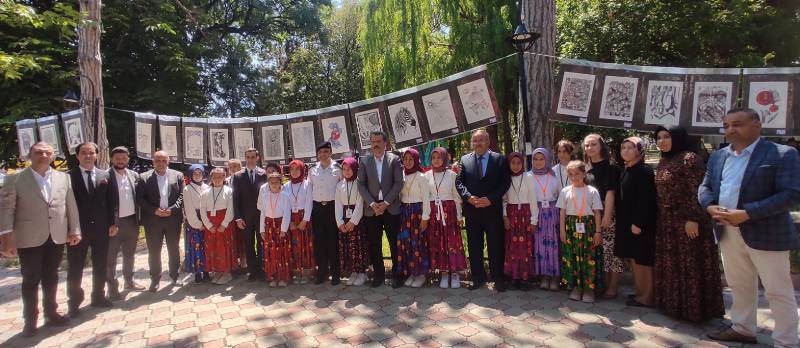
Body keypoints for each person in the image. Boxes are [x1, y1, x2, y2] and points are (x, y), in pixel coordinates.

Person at [699, 108, 800, 347]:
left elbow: (791, 194)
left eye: (738, 124)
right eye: (726, 125)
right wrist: (710, 206)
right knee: (739, 284)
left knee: (777, 291)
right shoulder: (718, 156)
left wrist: (747, 213)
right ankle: (743, 328)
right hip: (726, 230)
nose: (731, 129)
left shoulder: (782, 154)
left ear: (757, 125)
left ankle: (786, 341)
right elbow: (705, 186)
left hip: (766, 232)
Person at [0, 142, 79, 336]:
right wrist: (6, 238)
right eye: (38, 152)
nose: (43, 155)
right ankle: (30, 320)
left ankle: (51, 313)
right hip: (29, 237)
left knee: (51, 276)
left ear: (53, 157)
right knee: (31, 279)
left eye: (47, 152)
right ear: (30, 155)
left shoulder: (63, 177)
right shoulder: (15, 179)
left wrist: (75, 230)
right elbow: (6, 210)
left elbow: (70, 205)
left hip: (57, 235)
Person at [653, 126, 723, 322]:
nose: (661, 141)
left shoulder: (689, 159)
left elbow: (698, 191)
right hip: (668, 222)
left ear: (677, 138)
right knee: (674, 264)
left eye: (666, 137)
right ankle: (675, 306)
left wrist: (692, 218)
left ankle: (695, 310)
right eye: (658, 138)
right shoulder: (665, 160)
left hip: (688, 221)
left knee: (690, 263)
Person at [455, 129, 511, 291]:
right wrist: (468, 198)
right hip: (473, 211)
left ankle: (498, 278)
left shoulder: (499, 159)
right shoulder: (465, 160)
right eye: (475, 141)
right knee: (474, 245)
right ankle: (478, 278)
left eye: (481, 140)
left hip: (492, 210)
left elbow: (505, 183)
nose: (478, 143)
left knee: (495, 245)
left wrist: (490, 199)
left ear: (488, 142)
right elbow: (459, 182)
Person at [67, 142, 117, 317]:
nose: (87, 156)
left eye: (91, 153)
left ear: (96, 155)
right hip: (77, 231)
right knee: (75, 267)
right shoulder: (68, 176)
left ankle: (98, 296)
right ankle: (74, 302)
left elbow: (112, 201)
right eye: (83, 153)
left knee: (100, 264)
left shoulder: (105, 175)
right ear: (78, 156)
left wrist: (113, 223)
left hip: (102, 229)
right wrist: (69, 228)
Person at [614, 137, 658, 307]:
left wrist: (639, 223)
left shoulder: (643, 171)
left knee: (642, 261)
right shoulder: (627, 169)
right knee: (635, 259)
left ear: (639, 150)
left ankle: (646, 297)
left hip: (640, 225)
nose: (625, 151)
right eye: (623, 147)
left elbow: (646, 200)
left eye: (630, 148)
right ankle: (640, 293)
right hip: (628, 223)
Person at [357, 131, 404, 288]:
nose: (375, 144)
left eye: (378, 141)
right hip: (372, 209)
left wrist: (385, 203)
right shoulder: (364, 161)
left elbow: (398, 183)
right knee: (374, 243)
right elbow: (361, 184)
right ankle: (379, 275)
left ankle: (397, 276)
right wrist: (372, 203)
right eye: (373, 142)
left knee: (393, 243)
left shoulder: (394, 159)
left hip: (390, 208)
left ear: (385, 143)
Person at [137, 150, 184, 292]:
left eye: (164, 160)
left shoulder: (178, 175)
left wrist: (173, 209)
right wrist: (154, 210)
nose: (161, 163)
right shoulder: (143, 177)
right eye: (158, 160)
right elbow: (140, 198)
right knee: (154, 251)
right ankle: (155, 279)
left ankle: (175, 275)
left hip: (172, 219)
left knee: (174, 249)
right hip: (153, 220)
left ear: (168, 161)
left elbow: (182, 195)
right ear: (153, 162)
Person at [557, 160, 603, 303]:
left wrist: (597, 232)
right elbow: (562, 213)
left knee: (588, 258)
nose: (574, 177)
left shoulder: (592, 191)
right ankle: (576, 287)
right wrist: (562, 231)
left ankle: (589, 289)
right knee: (572, 257)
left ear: (584, 173)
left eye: (577, 174)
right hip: (571, 228)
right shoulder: (565, 191)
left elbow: (596, 213)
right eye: (570, 174)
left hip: (588, 228)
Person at [583, 134, 623, 298]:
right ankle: (601, 283)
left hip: (608, 213)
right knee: (597, 251)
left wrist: (607, 216)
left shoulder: (612, 167)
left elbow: (610, 192)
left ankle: (613, 287)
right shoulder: (587, 169)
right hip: (590, 214)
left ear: (601, 147)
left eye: (593, 144)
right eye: (586, 145)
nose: (589, 148)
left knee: (611, 251)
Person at [106, 146, 146, 300]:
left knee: (129, 255)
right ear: (112, 159)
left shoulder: (134, 175)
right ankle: (112, 288)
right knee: (111, 258)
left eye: (123, 158)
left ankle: (129, 281)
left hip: (131, 222)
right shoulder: (105, 176)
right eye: (117, 158)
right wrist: (110, 223)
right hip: (114, 225)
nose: (121, 161)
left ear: (128, 159)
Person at [424, 147, 466, 289]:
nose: (436, 160)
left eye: (439, 157)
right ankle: (443, 273)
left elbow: (456, 197)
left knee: (451, 243)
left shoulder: (452, 175)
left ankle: (454, 273)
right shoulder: (427, 175)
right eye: (434, 158)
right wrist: (427, 214)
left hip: (450, 213)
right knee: (438, 242)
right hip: (434, 214)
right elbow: (426, 197)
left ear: (445, 158)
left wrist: (459, 215)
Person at [502, 152, 538, 290]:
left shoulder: (528, 177)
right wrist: (505, 216)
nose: (516, 166)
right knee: (512, 246)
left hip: (525, 214)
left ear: (522, 164)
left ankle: (525, 278)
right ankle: (514, 277)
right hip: (511, 214)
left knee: (525, 247)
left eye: (518, 163)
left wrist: (534, 220)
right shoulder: (506, 178)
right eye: (513, 163)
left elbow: (533, 199)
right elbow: (504, 199)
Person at [308, 142, 342, 285]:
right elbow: (309, 191)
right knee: (320, 241)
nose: (323, 154)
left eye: (326, 151)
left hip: (332, 207)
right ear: (317, 154)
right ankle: (322, 272)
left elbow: (341, 188)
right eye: (321, 152)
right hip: (317, 209)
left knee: (333, 241)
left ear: (330, 153)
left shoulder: (338, 168)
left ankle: (335, 274)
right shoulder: (312, 170)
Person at [397, 148, 432, 288]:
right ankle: (412, 272)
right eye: (405, 159)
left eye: (411, 159)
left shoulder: (421, 177)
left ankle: (421, 274)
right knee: (406, 243)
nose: (408, 162)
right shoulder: (402, 175)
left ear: (416, 160)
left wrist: (425, 217)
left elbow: (426, 199)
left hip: (418, 212)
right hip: (405, 212)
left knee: (418, 243)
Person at [232, 148, 268, 281]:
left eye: (253, 157)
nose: (250, 160)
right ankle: (252, 271)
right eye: (248, 157)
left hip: (261, 216)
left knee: (261, 243)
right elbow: (235, 198)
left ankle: (261, 269)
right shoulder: (238, 176)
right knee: (248, 243)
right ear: (245, 158)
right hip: (245, 217)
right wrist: (238, 217)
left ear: (257, 158)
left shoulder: (263, 174)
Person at [530, 148, 561, 291]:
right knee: (540, 246)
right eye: (535, 159)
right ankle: (543, 276)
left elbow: (560, 196)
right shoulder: (528, 176)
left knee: (553, 246)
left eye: (541, 159)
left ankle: (554, 277)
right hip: (537, 213)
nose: (538, 162)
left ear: (547, 160)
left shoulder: (554, 176)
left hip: (552, 212)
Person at [335, 157, 369, 286]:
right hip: (344, 218)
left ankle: (362, 273)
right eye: (344, 169)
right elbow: (337, 204)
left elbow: (360, 203)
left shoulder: (359, 183)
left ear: (355, 169)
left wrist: (353, 221)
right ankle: (353, 272)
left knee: (358, 246)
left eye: (349, 169)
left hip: (357, 219)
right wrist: (340, 222)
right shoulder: (340, 185)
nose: (347, 171)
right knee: (348, 246)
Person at [201, 167, 236, 285]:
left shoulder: (228, 191)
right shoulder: (205, 192)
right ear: (211, 178)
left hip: (223, 225)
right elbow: (202, 210)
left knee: (223, 248)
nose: (217, 179)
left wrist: (224, 224)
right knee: (212, 248)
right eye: (214, 176)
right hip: (211, 225)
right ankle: (217, 271)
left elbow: (230, 209)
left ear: (224, 177)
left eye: (220, 176)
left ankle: (226, 273)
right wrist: (208, 225)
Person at [258, 171, 293, 287]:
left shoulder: (285, 196)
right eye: (271, 182)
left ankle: (283, 277)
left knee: (282, 252)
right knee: (271, 252)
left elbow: (287, 213)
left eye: (276, 182)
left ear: (280, 183)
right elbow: (262, 213)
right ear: (268, 183)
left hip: (280, 225)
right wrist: (261, 229)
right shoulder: (264, 196)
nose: (273, 184)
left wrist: (283, 229)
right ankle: (273, 276)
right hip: (268, 226)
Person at [283, 160, 315, 284]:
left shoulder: (307, 184)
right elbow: (285, 205)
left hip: (304, 218)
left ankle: (307, 272)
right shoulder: (285, 186)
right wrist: (290, 222)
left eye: (297, 169)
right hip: (291, 218)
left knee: (306, 244)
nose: (295, 172)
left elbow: (309, 203)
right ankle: (296, 271)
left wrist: (305, 220)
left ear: (302, 170)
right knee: (294, 245)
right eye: (292, 169)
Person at [183, 164, 209, 283]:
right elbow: (189, 209)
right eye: (195, 173)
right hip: (195, 222)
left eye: (200, 173)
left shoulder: (207, 187)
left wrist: (208, 223)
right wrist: (198, 224)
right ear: (191, 175)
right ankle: (198, 272)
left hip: (207, 220)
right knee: (196, 247)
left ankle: (207, 271)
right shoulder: (187, 189)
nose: (197, 175)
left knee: (207, 248)